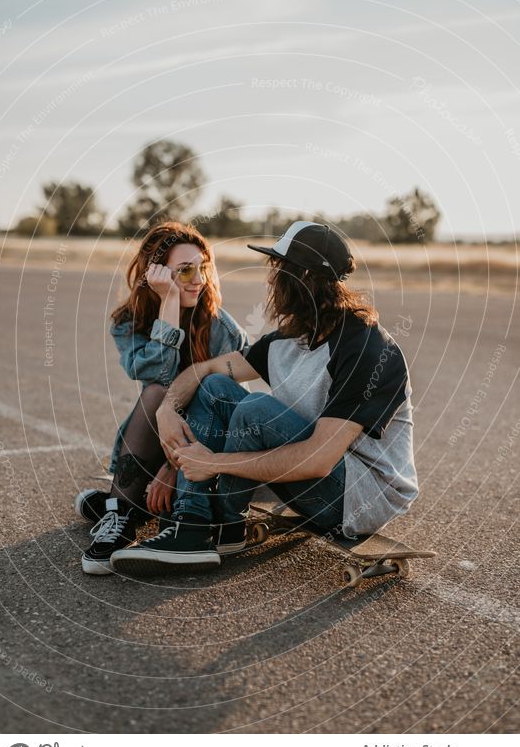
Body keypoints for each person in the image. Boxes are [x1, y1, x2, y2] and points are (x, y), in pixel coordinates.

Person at [110, 220, 419, 576]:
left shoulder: (366, 349)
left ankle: (202, 526)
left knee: (256, 411)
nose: (272, 279)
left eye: (278, 268)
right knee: (213, 388)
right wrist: (167, 409)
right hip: (315, 475)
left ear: (301, 276)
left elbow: (318, 460)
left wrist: (214, 464)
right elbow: (204, 371)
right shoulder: (290, 338)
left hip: (360, 496)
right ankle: (197, 526)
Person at [77, 221, 248, 575]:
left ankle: (120, 506)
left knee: (170, 500)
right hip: (161, 435)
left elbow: (222, 409)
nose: (198, 279)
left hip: (214, 447)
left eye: (203, 268)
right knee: (158, 390)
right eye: (184, 271)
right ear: (155, 274)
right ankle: (122, 515)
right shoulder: (128, 323)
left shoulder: (221, 327)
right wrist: (169, 303)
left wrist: (171, 470)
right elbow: (158, 376)